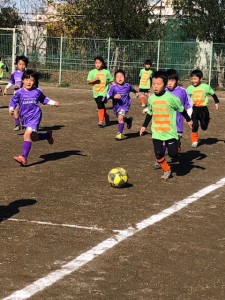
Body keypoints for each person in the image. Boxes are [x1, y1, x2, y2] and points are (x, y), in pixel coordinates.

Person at [140, 70, 193, 180]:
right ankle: (167, 170)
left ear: (164, 84)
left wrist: (188, 119)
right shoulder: (151, 99)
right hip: (157, 132)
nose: (155, 86)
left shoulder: (171, 98)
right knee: (159, 154)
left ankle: (177, 145)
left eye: (158, 84)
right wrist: (144, 125)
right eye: (153, 84)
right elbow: (150, 112)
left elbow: (182, 109)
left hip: (170, 132)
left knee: (173, 154)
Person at [9, 69, 59, 166]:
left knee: (26, 135)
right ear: (22, 80)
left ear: (35, 81)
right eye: (27, 79)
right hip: (25, 117)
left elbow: (44, 99)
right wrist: (11, 108)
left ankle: (23, 157)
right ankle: (47, 135)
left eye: (32, 80)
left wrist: (53, 102)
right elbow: (13, 101)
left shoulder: (37, 91)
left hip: (35, 116)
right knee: (34, 137)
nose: (29, 82)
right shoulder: (19, 92)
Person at [186, 69, 219, 148]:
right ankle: (194, 140)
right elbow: (185, 97)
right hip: (194, 109)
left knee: (204, 127)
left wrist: (216, 102)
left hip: (203, 110)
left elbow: (213, 94)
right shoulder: (190, 88)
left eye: (195, 79)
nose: (193, 80)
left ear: (200, 79)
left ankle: (207, 120)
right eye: (192, 78)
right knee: (195, 126)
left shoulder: (205, 87)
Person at [107, 69, 139, 140]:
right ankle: (128, 120)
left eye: (121, 76)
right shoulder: (113, 87)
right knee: (120, 118)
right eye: (117, 77)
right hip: (116, 106)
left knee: (120, 118)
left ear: (124, 77)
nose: (120, 78)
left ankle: (119, 134)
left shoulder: (127, 85)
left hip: (125, 105)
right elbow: (107, 96)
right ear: (115, 79)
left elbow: (132, 89)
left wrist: (136, 92)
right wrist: (113, 96)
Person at [165, 68, 193, 150]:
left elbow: (189, 105)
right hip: (165, 121)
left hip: (177, 121)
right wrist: (147, 109)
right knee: (164, 141)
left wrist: (188, 117)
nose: (169, 83)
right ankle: (160, 158)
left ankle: (177, 143)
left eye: (172, 80)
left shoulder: (182, 91)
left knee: (174, 143)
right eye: (167, 81)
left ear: (176, 80)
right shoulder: (164, 91)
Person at [4, 55, 29, 131]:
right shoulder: (14, 74)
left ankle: (24, 124)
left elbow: (30, 83)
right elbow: (11, 82)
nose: (22, 66)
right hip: (16, 95)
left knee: (20, 110)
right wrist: (6, 88)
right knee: (15, 110)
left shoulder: (27, 74)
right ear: (16, 65)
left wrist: (23, 85)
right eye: (20, 64)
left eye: (23, 64)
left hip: (24, 96)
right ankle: (18, 124)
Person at [87, 56, 113, 127]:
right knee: (100, 105)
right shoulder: (92, 72)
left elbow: (111, 81)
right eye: (96, 63)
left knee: (100, 103)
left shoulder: (106, 72)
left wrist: (117, 88)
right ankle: (106, 116)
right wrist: (94, 80)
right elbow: (88, 82)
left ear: (102, 64)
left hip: (104, 92)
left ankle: (100, 121)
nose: (97, 64)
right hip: (95, 93)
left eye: (99, 63)